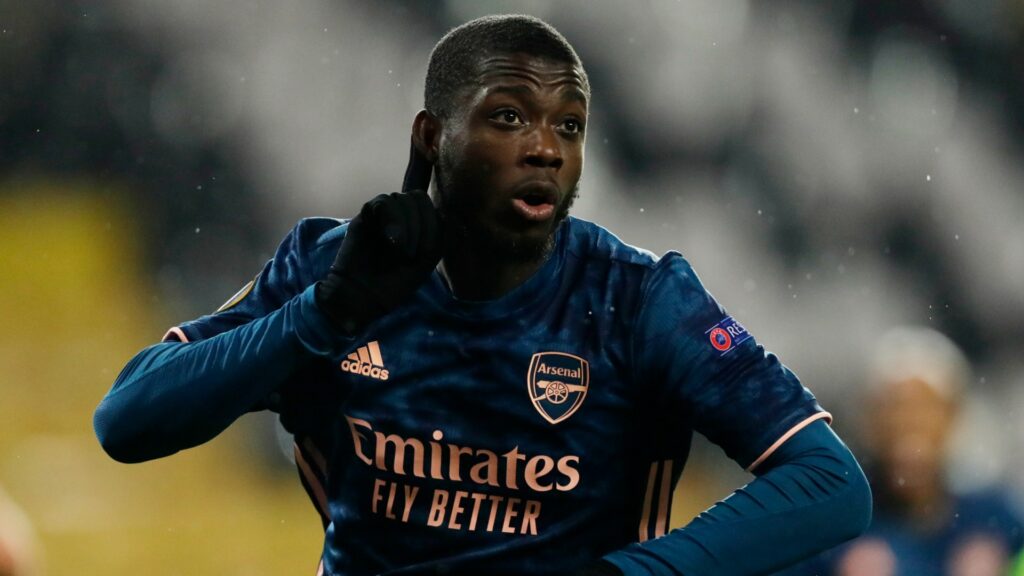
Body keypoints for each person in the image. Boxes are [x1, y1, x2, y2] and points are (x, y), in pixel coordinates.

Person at [93, 14, 871, 576]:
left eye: (569, 127)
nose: (545, 147)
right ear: (433, 137)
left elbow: (830, 485)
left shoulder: (636, 298)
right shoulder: (333, 268)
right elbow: (125, 422)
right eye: (510, 117)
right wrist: (321, 316)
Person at [779, 327, 1023, 576]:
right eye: (894, 408)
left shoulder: (997, 517)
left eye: (926, 408)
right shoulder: (830, 525)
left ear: (954, 417)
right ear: (869, 421)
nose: (908, 422)